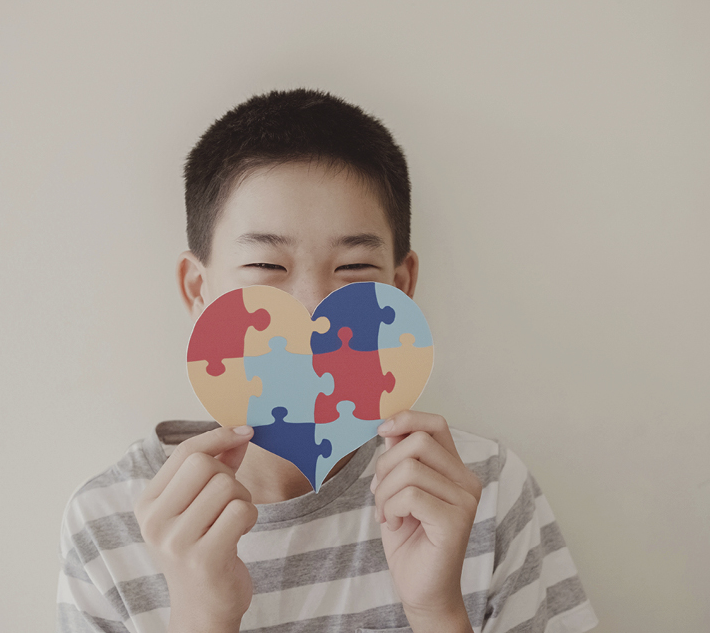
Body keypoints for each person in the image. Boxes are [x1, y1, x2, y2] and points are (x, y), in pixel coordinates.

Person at [56, 89, 598, 633]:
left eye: (355, 267)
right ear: (199, 289)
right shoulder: (110, 525)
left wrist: (437, 612)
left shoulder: (482, 491)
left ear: (401, 287)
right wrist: (202, 617)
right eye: (268, 264)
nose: (313, 309)